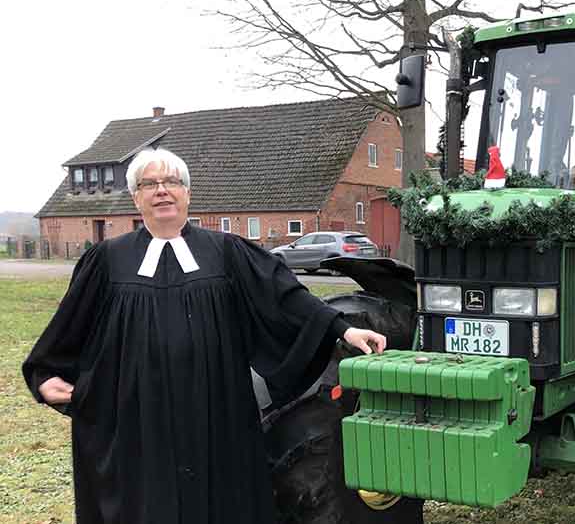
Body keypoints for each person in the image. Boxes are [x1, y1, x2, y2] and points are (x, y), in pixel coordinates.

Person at [23, 148, 386, 524]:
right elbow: (72, 322)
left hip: (215, 406)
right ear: (135, 197)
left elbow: (286, 298)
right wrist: (45, 374)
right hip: (136, 411)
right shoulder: (108, 259)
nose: (161, 190)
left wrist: (343, 327)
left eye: (171, 182)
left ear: (187, 193)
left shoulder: (226, 252)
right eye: (149, 184)